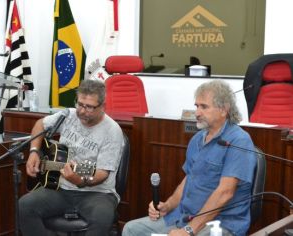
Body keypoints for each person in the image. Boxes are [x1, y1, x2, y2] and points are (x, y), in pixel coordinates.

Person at [122, 80, 257, 236]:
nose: (197, 113)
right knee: (131, 230)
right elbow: (189, 180)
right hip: (184, 216)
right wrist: (168, 205)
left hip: (220, 223)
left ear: (224, 110)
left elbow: (225, 192)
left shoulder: (239, 140)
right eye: (196, 106)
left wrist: (189, 230)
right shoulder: (198, 138)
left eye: (204, 107)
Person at [19, 79, 124, 236]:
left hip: (98, 193)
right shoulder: (68, 115)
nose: (82, 111)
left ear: (102, 107)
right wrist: (34, 151)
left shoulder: (112, 131)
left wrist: (80, 181)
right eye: (80, 103)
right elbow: (40, 124)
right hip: (61, 188)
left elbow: (102, 174)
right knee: (24, 206)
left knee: (102, 218)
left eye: (89, 107)